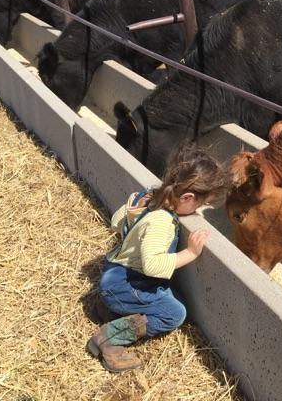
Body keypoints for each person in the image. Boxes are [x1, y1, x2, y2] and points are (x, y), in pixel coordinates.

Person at [87, 144, 229, 372]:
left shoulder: (147, 196)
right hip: (124, 283)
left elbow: (116, 220)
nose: (198, 210)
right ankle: (109, 339)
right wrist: (190, 252)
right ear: (188, 197)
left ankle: (108, 308)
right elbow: (153, 266)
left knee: (177, 299)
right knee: (175, 313)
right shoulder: (161, 222)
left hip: (114, 270)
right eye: (200, 205)